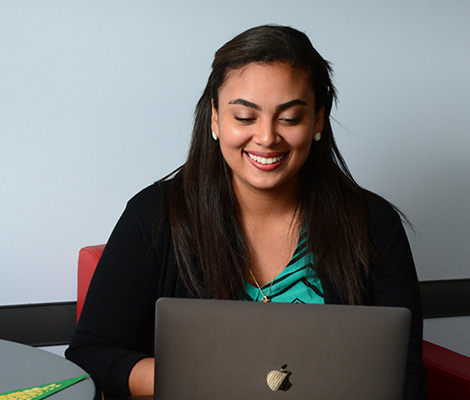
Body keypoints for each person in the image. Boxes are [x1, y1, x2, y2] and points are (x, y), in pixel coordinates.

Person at [66, 25, 426, 399]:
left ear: (317, 121)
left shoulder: (373, 224)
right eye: (244, 117)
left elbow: (405, 376)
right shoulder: (154, 216)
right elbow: (91, 355)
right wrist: (199, 377)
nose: (267, 137)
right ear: (216, 119)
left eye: (289, 118)